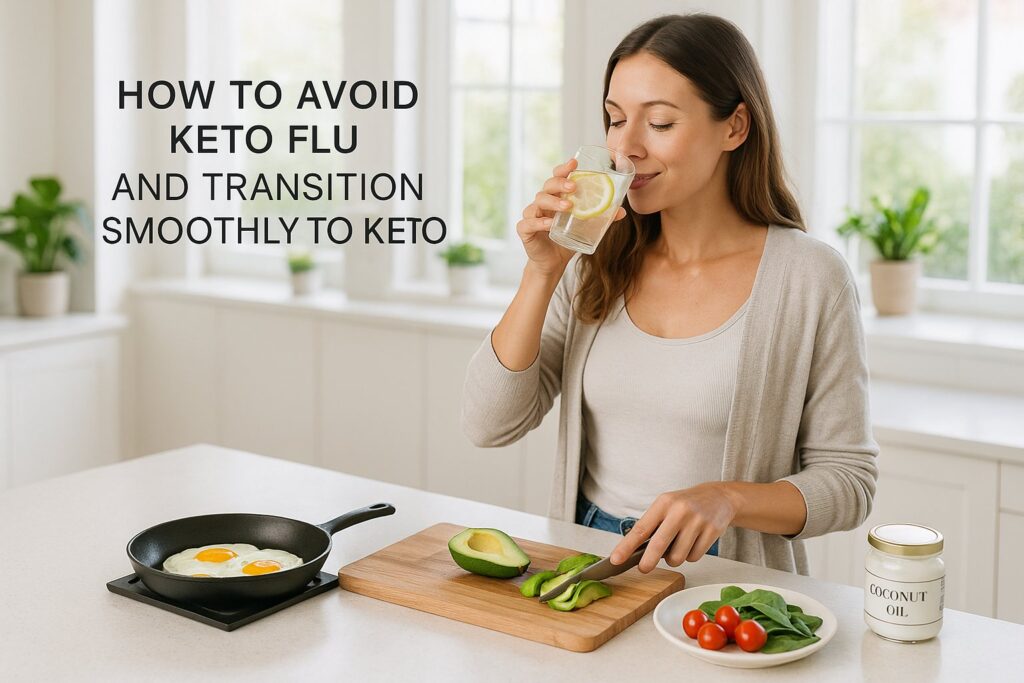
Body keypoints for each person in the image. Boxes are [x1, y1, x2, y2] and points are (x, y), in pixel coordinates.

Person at [461, 13, 878, 575]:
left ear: (734, 127)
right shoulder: (592, 263)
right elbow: (489, 424)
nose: (625, 148)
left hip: (725, 581)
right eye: (614, 120)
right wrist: (542, 273)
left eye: (658, 123)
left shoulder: (810, 277)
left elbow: (849, 482)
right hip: (591, 562)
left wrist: (728, 498)